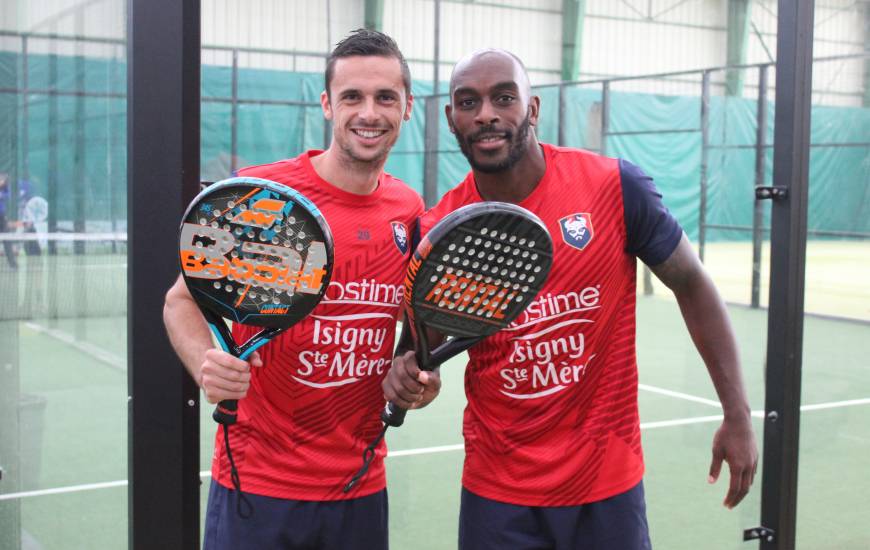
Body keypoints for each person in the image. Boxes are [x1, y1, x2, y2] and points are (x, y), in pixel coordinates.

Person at [382, 49, 758, 550]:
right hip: (499, 492)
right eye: (468, 102)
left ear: (532, 109)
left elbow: (691, 283)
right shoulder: (443, 228)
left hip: (607, 486)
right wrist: (410, 377)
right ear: (452, 119)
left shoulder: (613, 187)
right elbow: (420, 349)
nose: (486, 113)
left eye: (504, 97)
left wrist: (737, 414)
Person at [163, 29, 423, 550]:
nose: (368, 112)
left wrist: (413, 377)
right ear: (327, 104)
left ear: (407, 108)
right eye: (352, 96)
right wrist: (205, 363)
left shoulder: (410, 212)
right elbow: (180, 301)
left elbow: (405, 330)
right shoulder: (259, 198)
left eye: (384, 97)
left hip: (360, 487)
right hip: (257, 487)